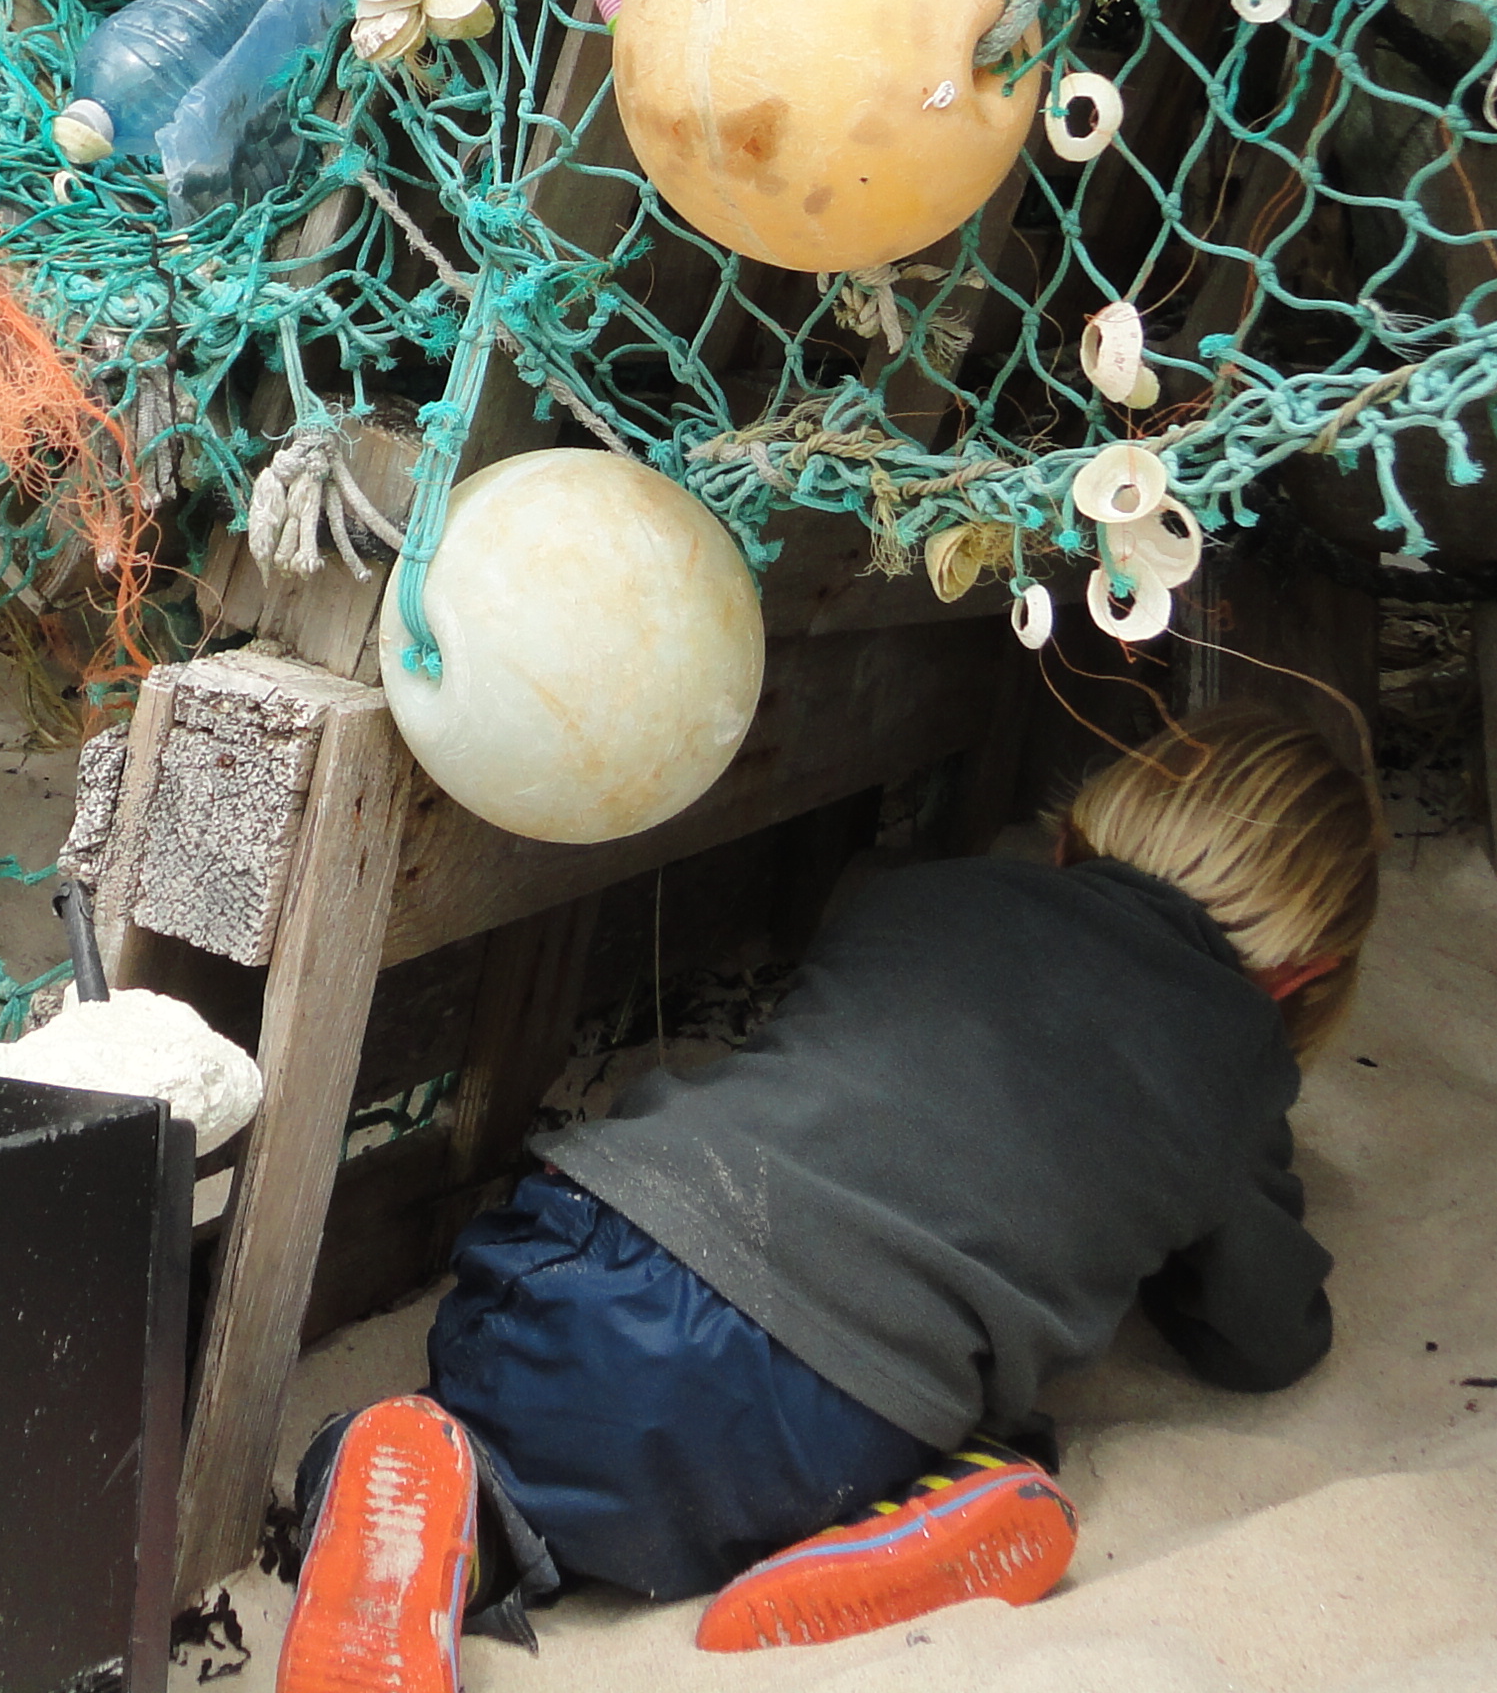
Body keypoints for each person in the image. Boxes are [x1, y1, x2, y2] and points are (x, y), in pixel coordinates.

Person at [276, 706, 1381, 1686]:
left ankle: (435, 1498)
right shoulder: (1234, 1068)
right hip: (833, 1427)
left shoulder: (923, 895)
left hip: (590, 1262)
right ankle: (897, 1526)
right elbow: (1264, 1341)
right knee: (1000, 1427)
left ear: (1082, 828)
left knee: (463, 1439)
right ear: (1300, 977)